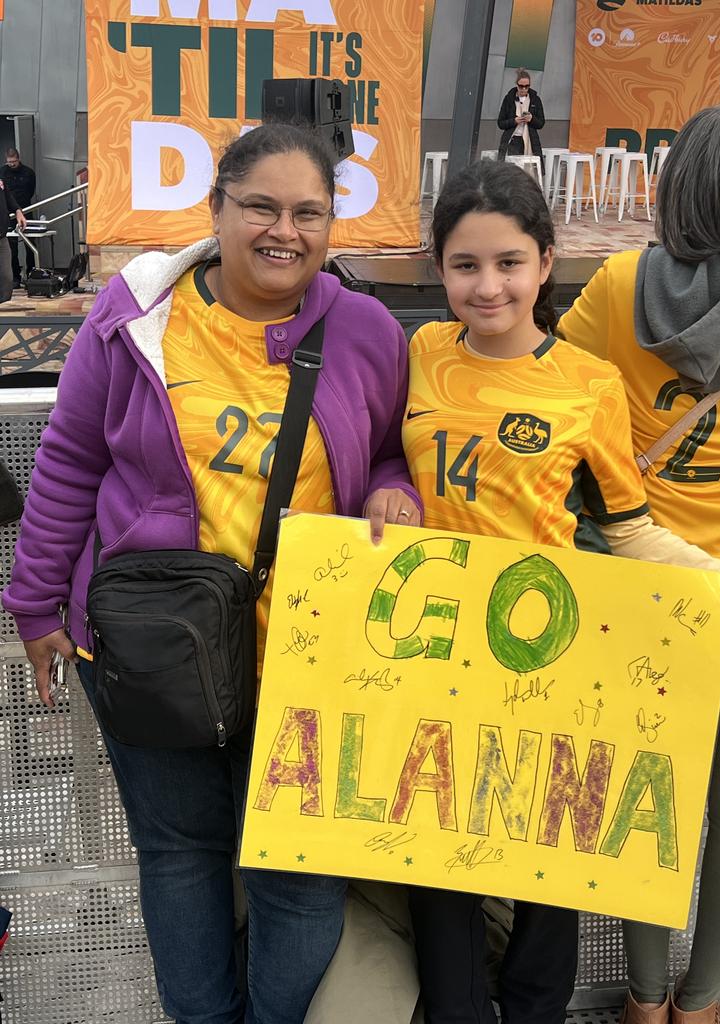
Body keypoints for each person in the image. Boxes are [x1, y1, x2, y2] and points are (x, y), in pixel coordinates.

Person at [2, 122, 421, 1024]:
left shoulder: (366, 330)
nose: (285, 230)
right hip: (157, 646)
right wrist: (34, 603)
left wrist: (393, 491)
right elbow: (70, 463)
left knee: (300, 877)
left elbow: (392, 449)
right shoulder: (137, 316)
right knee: (181, 853)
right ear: (216, 208)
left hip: (311, 656)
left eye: (310, 212)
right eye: (261, 207)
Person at [401, 158, 720, 1024]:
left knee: (545, 862)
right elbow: (379, 453)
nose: (488, 287)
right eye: (466, 265)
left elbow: (628, 524)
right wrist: (391, 488)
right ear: (438, 268)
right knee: (438, 859)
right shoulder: (418, 352)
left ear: (547, 261)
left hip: (544, 660)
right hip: (435, 651)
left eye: (510, 263)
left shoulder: (589, 386)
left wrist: (712, 574)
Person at [557, 102, 720, 1024]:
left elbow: (548, 398)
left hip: (644, 590)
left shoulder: (612, 286)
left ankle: (643, 1004)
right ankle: (705, 1004)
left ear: (674, 182)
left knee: (647, 797)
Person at [0, 147, 35, 285]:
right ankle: (15, 276)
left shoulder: (28, 173)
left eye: (14, 161)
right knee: (11, 246)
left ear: (18, 159)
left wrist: (20, 208)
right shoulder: (2, 172)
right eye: (9, 162)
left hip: (26, 209)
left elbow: (31, 190)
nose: (12, 164)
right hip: (8, 213)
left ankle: (31, 273)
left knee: (30, 243)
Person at [497, 68, 545, 166]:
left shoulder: (535, 99)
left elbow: (541, 123)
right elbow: (500, 123)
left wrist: (531, 119)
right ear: (517, 85)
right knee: (511, 168)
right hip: (512, 139)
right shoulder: (509, 99)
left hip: (530, 140)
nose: (524, 89)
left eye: (527, 86)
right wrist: (514, 121)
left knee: (529, 168)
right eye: (521, 86)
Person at [0, 173, 26, 302]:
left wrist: (17, 211)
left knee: (6, 278)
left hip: (1, 237)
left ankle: (4, 314)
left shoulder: (1, 177)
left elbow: (7, 196)